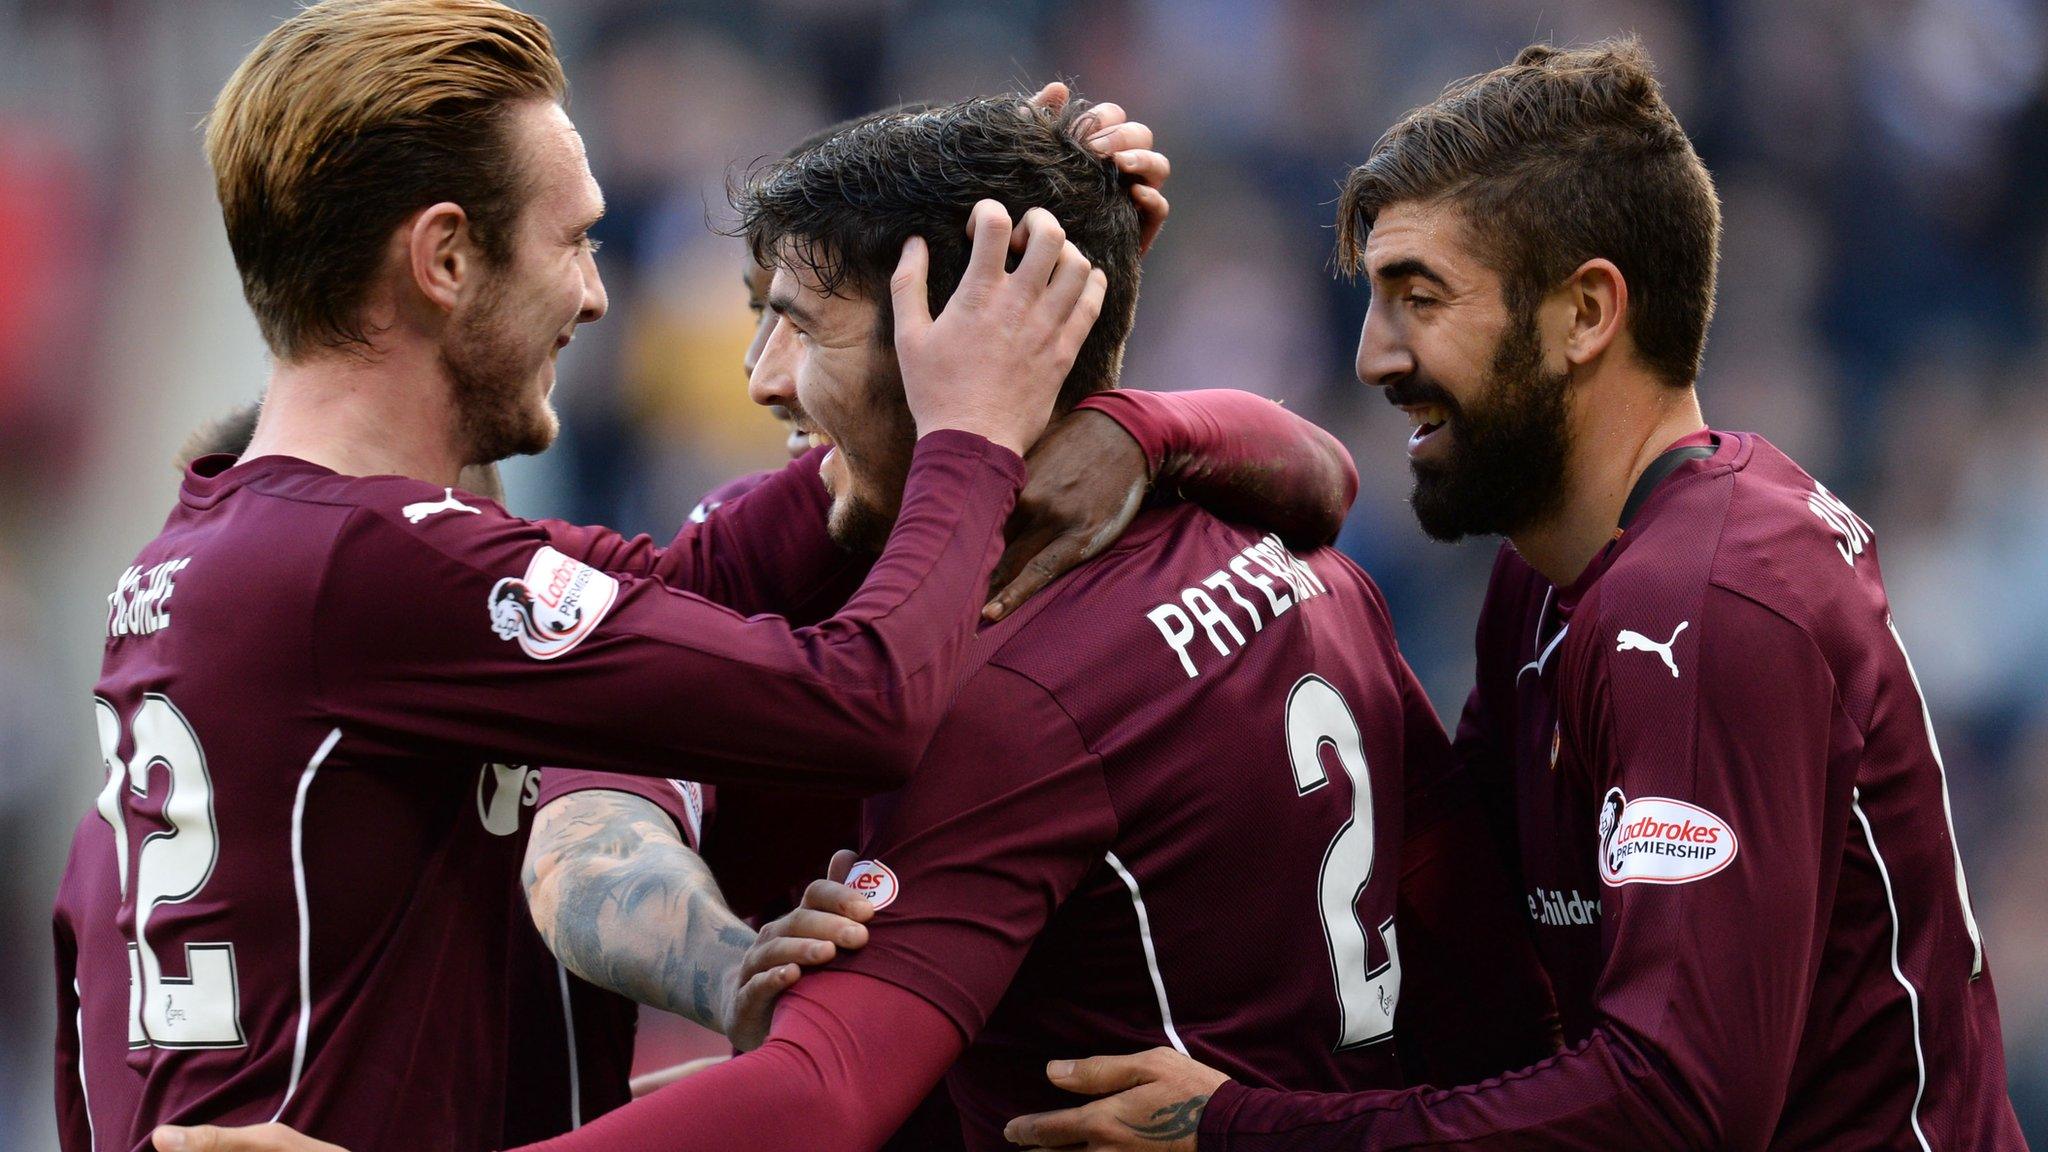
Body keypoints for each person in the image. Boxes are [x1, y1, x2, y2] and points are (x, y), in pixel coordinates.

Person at [52, 0, 1121, 1147]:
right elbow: (861, 702)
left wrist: (1027, 259)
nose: (596, 294)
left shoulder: (229, 557)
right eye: (573, 241)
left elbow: (702, 579)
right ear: (447, 258)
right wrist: (971, 435)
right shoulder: (369, 567)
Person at [1003, 39, 2028, 1152]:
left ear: (1584, 314)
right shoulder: (1554, 579)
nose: (1371, 357)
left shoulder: (1707, 609)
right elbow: (1460, 927)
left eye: (1417, 298)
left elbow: (1675, 1106)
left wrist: (1242, 1131)